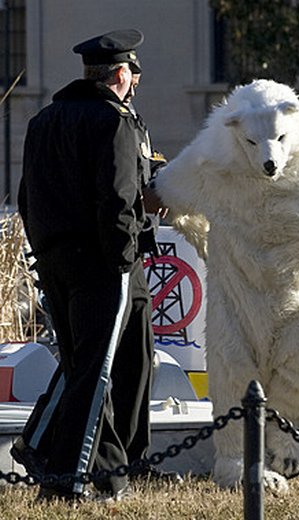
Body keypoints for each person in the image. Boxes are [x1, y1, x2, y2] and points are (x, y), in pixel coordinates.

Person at [13, 29, 170, 501]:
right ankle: (70, 477)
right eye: (133, 75)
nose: (135, 82)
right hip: (106, 262)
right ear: (120, 74)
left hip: (59, 258)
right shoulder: (114, 122)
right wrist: (124, 259)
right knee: (95, 368)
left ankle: (112, 460)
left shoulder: (44, 120)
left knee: (128, 360)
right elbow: (118, 201)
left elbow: (27, 199)